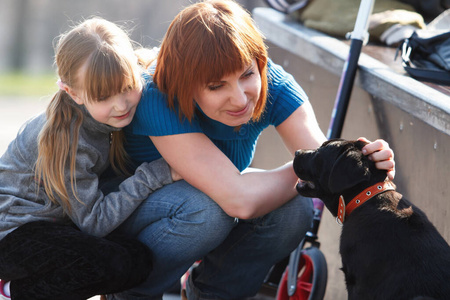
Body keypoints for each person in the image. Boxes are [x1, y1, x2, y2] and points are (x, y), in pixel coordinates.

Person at [108, 1, 396, 299]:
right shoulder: (158, 96)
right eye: (216, 86)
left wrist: (370, 167)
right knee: (205, 211)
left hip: (202, 204)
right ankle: (132, 294)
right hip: (122, 211)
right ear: (186, 85)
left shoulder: (276, 86)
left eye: (247, 74)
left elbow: (326, 170)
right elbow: (240, 201)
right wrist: (314, 169)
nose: (240, 99)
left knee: (294, 208)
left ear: (259, 62)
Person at [0, 18, 179, 300]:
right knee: (114, 265)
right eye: (104, 96)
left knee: (138, 259)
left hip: (61, 222)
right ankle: (15, 291)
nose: (121, 105)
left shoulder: (130, 79)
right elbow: (94, 222)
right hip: (15, 234)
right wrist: (155, 175)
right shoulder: (70, 139)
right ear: (74, 93)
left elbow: (158, 62)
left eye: (127, 87)